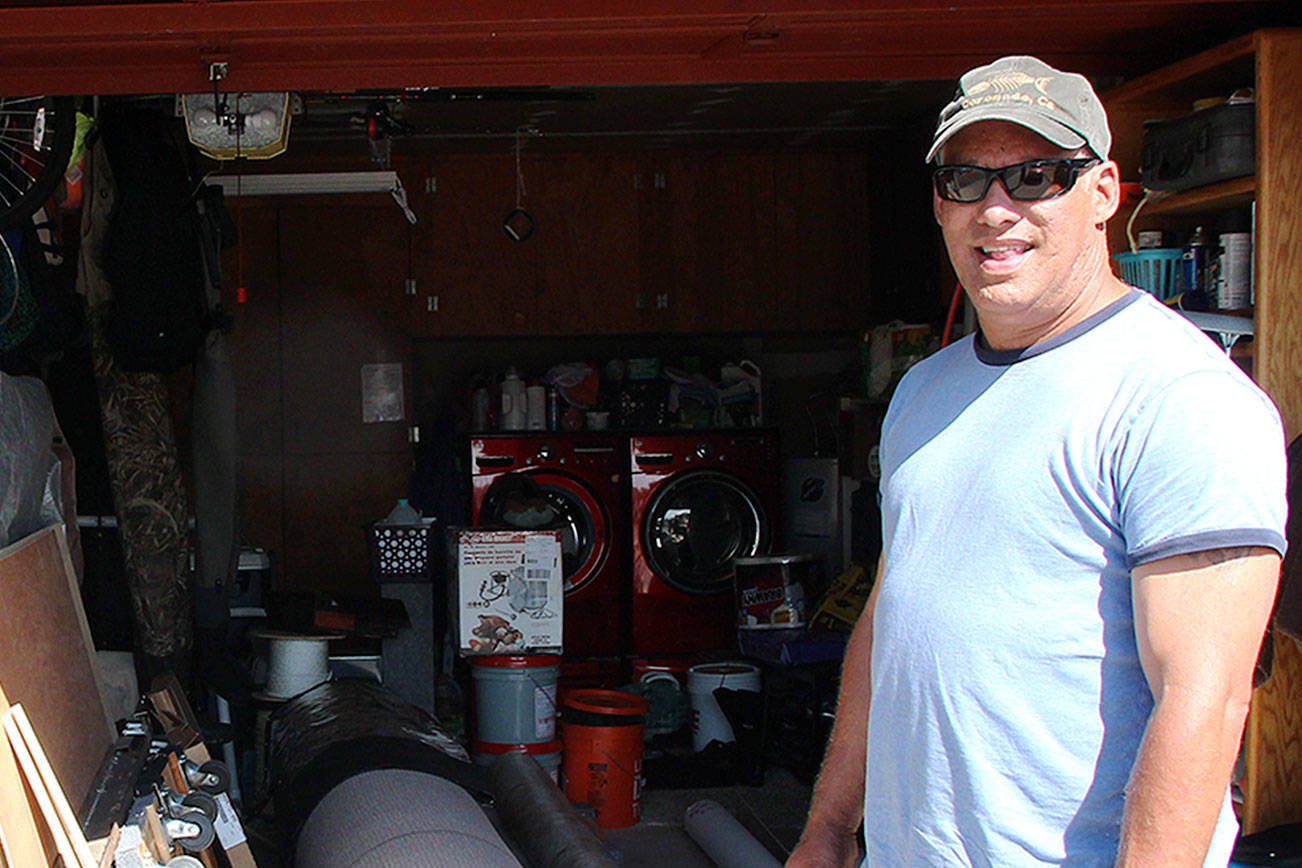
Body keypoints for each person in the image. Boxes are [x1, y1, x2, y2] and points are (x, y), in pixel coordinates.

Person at [788, 56, 1286, 867]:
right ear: (940, 205)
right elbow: (892, 620)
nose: (996, 209)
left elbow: (1206, 699)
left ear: (1103, 193)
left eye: (1036, 177)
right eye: (966, 180)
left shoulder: (1180, 398)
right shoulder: (924, 391)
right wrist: (831, 826)